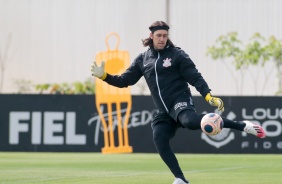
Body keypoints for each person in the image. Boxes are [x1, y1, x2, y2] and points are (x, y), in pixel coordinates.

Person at [91, 21, 266, 184]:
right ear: (151, 36)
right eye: (158, 35)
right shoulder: (142, 59)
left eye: (164, 36)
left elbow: (195, 77)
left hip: (180, 101)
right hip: (164, 112)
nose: (162, 39)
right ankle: (180, 179)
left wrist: (208, 96)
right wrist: (104, 76)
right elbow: (124, 81)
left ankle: (242, 126)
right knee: (159, 137)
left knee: (190, 122)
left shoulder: (177, 55)